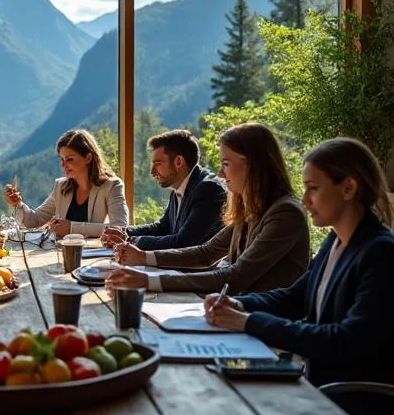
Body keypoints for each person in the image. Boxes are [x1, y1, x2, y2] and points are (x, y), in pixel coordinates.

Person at [203, 138, 394, 415]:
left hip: (353, 408)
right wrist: (240, 304)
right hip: (323, 387)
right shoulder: (337, 240)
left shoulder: (381, 256)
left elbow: (345, 341)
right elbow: (295, 296)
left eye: (313, 188)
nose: (304, 200)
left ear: (348, 188)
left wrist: (249, 322)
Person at [107, 123, 309, 294]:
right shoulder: (251, 208)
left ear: (253, 165)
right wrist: (143, 257)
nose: (220, 173)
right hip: (233, 308)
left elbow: (235, 276)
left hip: (262, 323)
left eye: (226, 164)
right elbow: (206, 253)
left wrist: (149, 281)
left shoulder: (285, 213)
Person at [101, 129, 226, 250]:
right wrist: (123, 231)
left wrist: (129, 241)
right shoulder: (181, 187)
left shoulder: (209, 190)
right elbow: (163, 227)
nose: (152, 171)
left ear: (178, 162)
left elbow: (184, 243)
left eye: (157, 163)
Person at [3, 129, 128, 238]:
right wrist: (18, 204)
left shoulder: (112, 186)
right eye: (62, 159)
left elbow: (120, 228)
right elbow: (37, 220)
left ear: (88, 158)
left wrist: (72, 228)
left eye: (69, 159)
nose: (63, 165)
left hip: (98, 258)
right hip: (62, 254)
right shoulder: (61, 186)